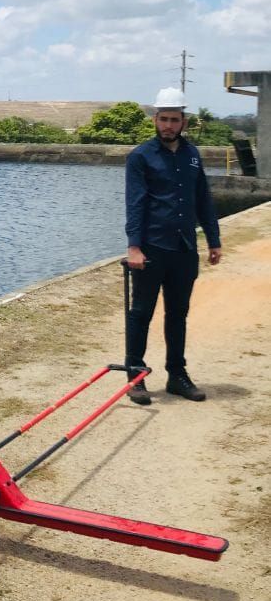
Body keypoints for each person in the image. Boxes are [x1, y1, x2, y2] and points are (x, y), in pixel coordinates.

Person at [125, 87, 222, 405]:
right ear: (156, 119)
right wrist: (134, 247)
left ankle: (177, 376)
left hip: (183, 249)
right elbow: (135, 204)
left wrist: (214, 239)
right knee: (141, 314)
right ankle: (136, 377)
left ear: (184, 122)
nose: (168, 125)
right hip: (151, 248)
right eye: (163, 119)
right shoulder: (140, 157)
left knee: (178, 314)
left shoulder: (192, 155)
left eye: (174, 120)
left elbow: (203, 199)